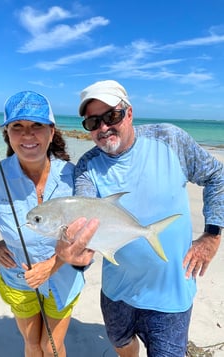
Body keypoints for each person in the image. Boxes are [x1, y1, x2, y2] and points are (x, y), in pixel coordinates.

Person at [56, 80, 224, 357]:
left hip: (171, 294)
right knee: (122, 345)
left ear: (129, 113)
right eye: (92, 122)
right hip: (116, 292)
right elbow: (83, 218)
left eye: (111, 116)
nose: (103, 128)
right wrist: (74, 254)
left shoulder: (170, 139)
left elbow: (217, 177)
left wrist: (212, 234)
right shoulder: (86, 165)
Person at [0, 90, 86, 357]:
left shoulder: (74, 177)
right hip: (17, 278)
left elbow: (90, 231)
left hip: (63, 277)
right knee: (31, 346)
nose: (28, 135)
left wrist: (52, 265)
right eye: (18, 127)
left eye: (37, 126)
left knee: (50, 347)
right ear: (8, 134)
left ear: (51, 132)